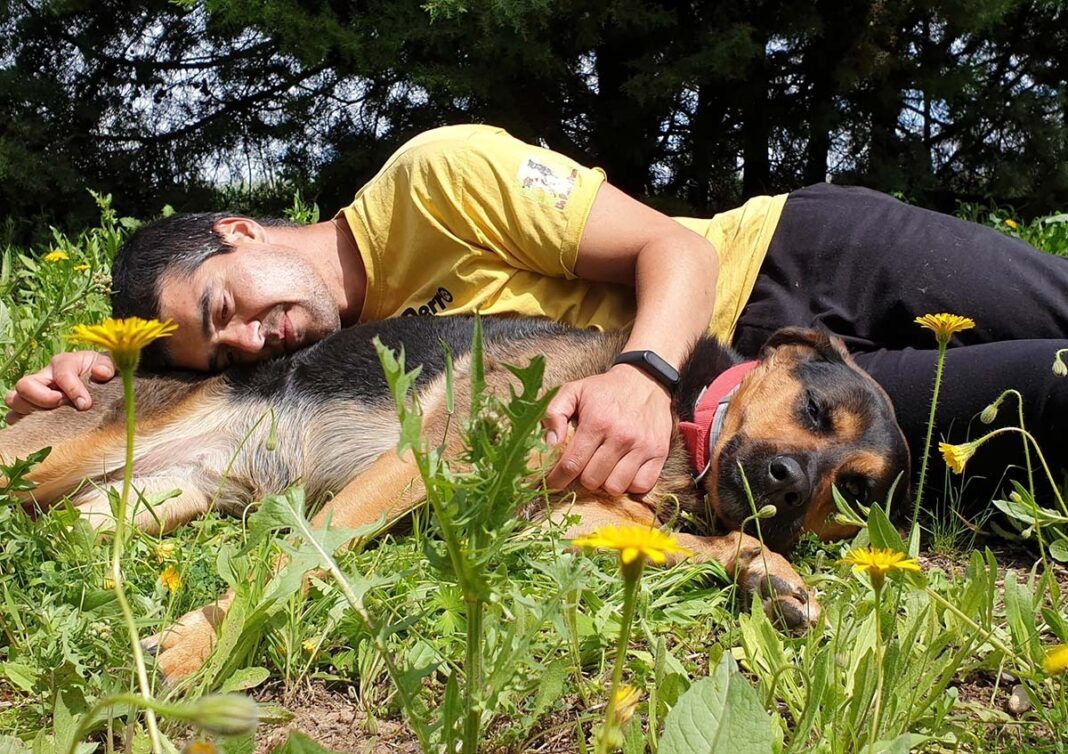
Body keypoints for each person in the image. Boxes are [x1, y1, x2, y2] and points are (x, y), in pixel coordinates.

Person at [6, 124, 1068, 506]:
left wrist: (644, 378)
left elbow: (677, 247)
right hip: (762, 428)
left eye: (227, 308)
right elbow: (226, 405)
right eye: (222, 347)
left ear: (242, 232)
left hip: (793, 261)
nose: (253, 339)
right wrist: (98, 376)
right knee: (1042, 407)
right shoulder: (345, 354)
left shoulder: (432, 180)